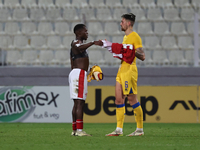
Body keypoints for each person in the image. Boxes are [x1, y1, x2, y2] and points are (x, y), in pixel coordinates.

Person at [101, 13, 145, 136]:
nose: (120, 23)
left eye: (122, 21)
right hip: (121, 69)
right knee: (118, 99)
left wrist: (130, 50)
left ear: (128, 23)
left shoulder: (135, 36)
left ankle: (140, 129)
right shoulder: (125, 37)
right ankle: (119, 129)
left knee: (132, 99)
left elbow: (143, 56)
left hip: (130, 70)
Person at [69, 24, 102, 136]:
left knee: (76, 103)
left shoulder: (76, 45)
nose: (87, 33)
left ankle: (74, 130)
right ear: (78, 32)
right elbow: (79, 47)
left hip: (77, 73)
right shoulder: (75, 43)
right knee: (80, 103)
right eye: (85, 31)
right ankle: (79, 130)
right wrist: (93, 42)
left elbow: (74, 61)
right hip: (79, 74)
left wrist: (89, 70)